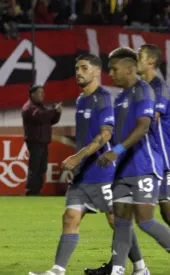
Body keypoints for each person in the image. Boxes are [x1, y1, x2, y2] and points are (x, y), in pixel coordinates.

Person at [84, 45, 170, 275]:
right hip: (127, 166)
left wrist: (116, 149)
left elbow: (146, 123)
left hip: (154, 161)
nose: (110, 73)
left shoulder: (153, 89)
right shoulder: (122, 97)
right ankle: (123, 268)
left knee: (158, 216)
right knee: (121, 218)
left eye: (138, 57)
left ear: (147, 63)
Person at [28, 53, 149, 275]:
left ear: (96, 72)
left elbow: (105, 134)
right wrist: (79, 162)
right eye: (77, 68)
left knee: (116, 221)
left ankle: (140, 268)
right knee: (70, 217)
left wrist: (78, 157)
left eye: (84, 68)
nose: (78, 72)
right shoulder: (81, 99)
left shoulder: (102, 98)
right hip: (83, 174)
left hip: (102, 172)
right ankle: (57, 270)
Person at [22, 85, 62, 195]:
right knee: (35, 168)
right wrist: (54, 110)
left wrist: (57, 112)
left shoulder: (40, 107)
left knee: (41, 169)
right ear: (32, 94)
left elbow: (50, 120)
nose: (42, 94)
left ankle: (36, 191)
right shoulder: (29, 107)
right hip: (35, 142)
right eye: (39, 92)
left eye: (43, 92)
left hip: (43, 142)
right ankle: (30, 192)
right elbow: (41, 116)